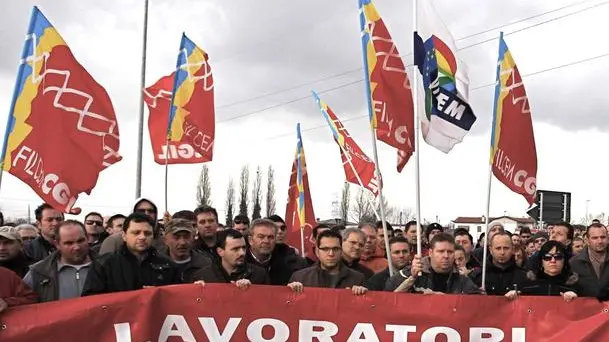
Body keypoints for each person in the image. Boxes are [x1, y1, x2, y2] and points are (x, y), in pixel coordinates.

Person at [81, 212, 182, 295]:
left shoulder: (168, 265)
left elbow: (178, 298)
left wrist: (159, 294)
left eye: (147, 233)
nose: (142, 237)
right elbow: (91, 302)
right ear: (124, 235)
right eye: (136, 232)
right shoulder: (103, 265)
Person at [385, 233, 480, 294]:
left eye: (450, 252)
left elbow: (477, 302)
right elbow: (387, 293)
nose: (446, 256)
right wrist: (411, 278)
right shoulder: (415, 270)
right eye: (441, 251)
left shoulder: (461, 277)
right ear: (430, 252)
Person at [24, 221, 94, 302]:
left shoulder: (106, 267)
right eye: (69, 243)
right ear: (57, 244)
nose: (77, 247)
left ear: (87, 239)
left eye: (81, 241)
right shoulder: (38, 272)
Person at [287, 229, 366, 294]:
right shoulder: (300, 277)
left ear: (341, 251)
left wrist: (361, 295)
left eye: (335, 249)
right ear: (317, 252)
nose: (331, 254)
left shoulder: (358, 279)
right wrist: (290, 291)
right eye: (325, 249)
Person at [507, 241, 579, 302]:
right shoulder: (527, 283)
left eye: (558, 257)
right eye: (547, 257)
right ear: (541, 261)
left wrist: (576, 300)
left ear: (564, 260)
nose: (553, 261)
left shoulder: (574, 286)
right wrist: (512, 295)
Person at [193, 229, 268, 286]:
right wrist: (198, 291)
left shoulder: (259, 275)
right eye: (235, 249)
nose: (242, 253)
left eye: (244, 248)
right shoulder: (202, 276)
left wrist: (252, 290)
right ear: (220, 252)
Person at [246, 218, 306, 285]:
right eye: (261, 237)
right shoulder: (239, 261)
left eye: (270, 237)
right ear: (250, 240)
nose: (266, 241)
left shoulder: (291, 262)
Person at [162, 219, 211, 283]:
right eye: (176, 237)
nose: (182, 242)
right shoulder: (156, 265)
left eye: (186, 237)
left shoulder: (206, 265)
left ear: (193, 238)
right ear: (165, 240)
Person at [572, 223, 609, 298]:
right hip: (584, 308)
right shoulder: (574, 263)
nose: (600, 241)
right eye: (595, 238)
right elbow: (569, 287)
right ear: (587, 240)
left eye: (603, 237)